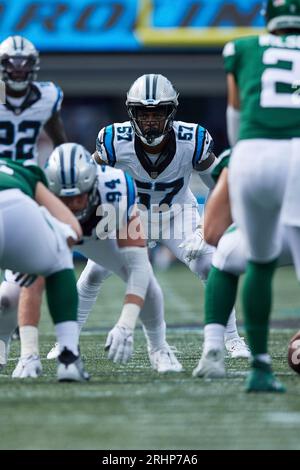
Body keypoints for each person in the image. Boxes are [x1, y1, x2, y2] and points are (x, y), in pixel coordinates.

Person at [90, 73, 249, 358]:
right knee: (93, 272)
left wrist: (206, 227)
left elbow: (220, 187)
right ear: (131, 113)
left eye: (157, 113)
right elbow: (89, 178)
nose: (150, 121)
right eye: (143, 113)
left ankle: (232, 339)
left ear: (171, 112)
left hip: (177, 213)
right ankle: (64, 343)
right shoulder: (115, 139)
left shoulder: (193, 139)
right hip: (132, 215)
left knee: (210, 266)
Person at [14, 143, 182, 375]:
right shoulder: (35, 196)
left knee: (149, 283)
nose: (72, 205)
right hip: (57, 233)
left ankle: (159, 348)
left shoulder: (116, 190)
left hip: (102, 234)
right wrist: (29, 352)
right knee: (10, 294)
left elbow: (138, 266)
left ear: (93, 185)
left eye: (79, 197)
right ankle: (25, 354)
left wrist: (126, 324)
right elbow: (33, 283)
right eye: (65, 198)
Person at [221, 0, 300, 392]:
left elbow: (235, 112)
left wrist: (240, 157)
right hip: (297, 150)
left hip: (251, 153)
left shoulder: (242, 47)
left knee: (259, 262)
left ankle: (260, 367)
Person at [193, 149, 293, 379]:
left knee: (224, 256)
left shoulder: (242, 154)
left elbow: (212, 232)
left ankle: (217, 351)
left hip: (268, 238)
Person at [0, 35, 67, 371]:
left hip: (26, 186)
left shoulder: (47, 96)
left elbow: (59, 140)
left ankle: (15, 346)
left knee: (20, 283)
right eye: (11, 63)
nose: (17, 70)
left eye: (23, 63)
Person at [0, 157, 89, 381]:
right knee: (59, 259)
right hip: (14, 206)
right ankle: (68, 356)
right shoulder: (19, 168)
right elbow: (73, 230)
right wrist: (35, 262)